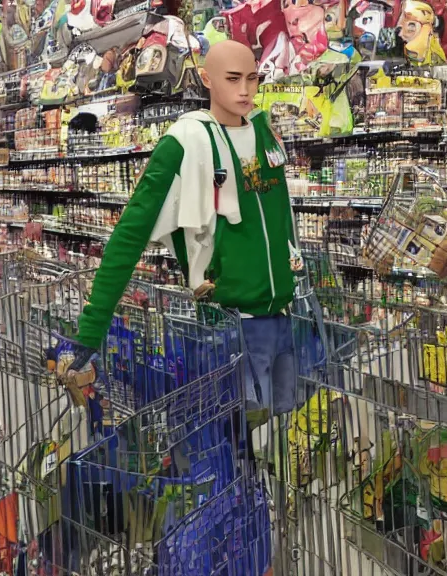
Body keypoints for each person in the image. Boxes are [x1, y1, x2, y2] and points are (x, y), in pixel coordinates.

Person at [74, 40, 301, 430]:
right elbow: (129, 235)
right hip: (229, 326)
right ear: (207, 79)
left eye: (252, 78)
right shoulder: (184, 143)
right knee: (230, 443)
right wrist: (91, 331)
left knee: (280, 440)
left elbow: (281, 220)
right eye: (233, 79)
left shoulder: (266, 134)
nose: (245, 90)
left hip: (284, 314)